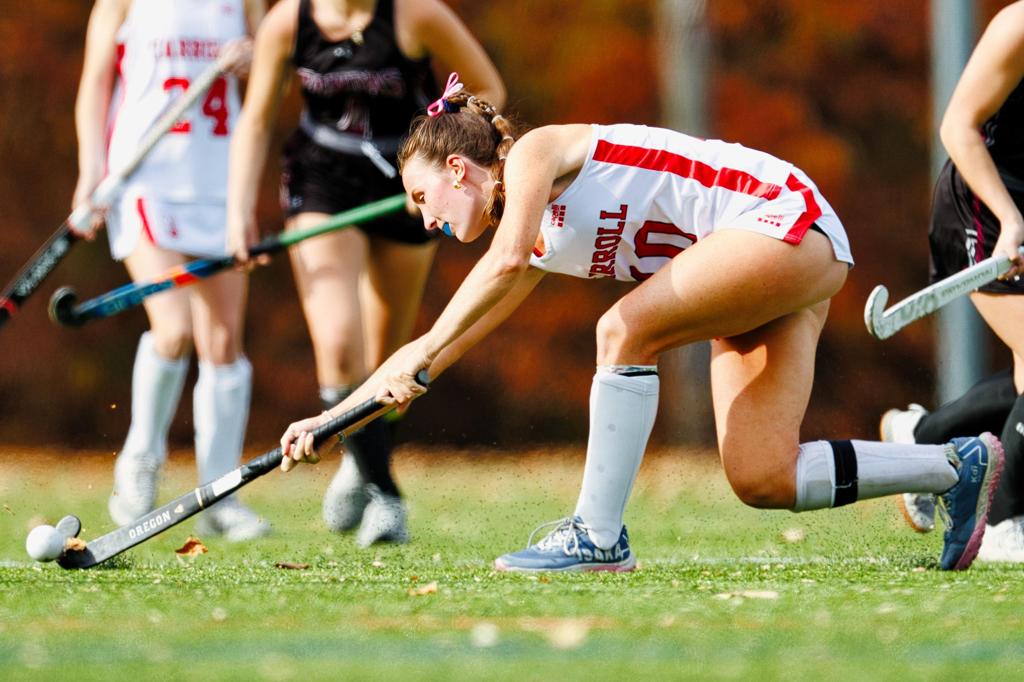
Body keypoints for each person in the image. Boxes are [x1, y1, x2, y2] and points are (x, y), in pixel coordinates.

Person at [275, 75, 1005, 572]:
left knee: (622, 330)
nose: (423, 218)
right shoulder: (534, 243)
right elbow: (440, 344)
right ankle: (954, 466)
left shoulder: (531, 157)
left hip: (783, 219)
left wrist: (427, 351)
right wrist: (333, 420)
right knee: (762, 475)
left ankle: (597, 537)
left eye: (420, 196)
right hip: (768, 263)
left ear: (459, 170)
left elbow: (495, 270)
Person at [226, 0, 504, 547]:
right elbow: (255, 119)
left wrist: (432, 175)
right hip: (322, 180)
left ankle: (361, 458)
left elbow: (488, 89)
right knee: (337, 344)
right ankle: (385, 493)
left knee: (390, 359)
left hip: (405, 186)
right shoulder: (288, 22)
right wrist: (237, 212)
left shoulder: (416, 15)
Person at [71, 0, 270, 540]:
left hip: (220, 184)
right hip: (145, 182)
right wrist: (91, 171)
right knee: (174, 328)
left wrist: (255, 59)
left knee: (223, 343)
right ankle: (140, 460)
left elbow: (273, 76)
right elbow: (95, 84)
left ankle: (221, 496)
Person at [880, 2, 1024, 561]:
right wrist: (1010, 219)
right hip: (984, 206)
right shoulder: (1018, 26)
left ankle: (923, 439)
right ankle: (1004, 524)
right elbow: (957, 127)